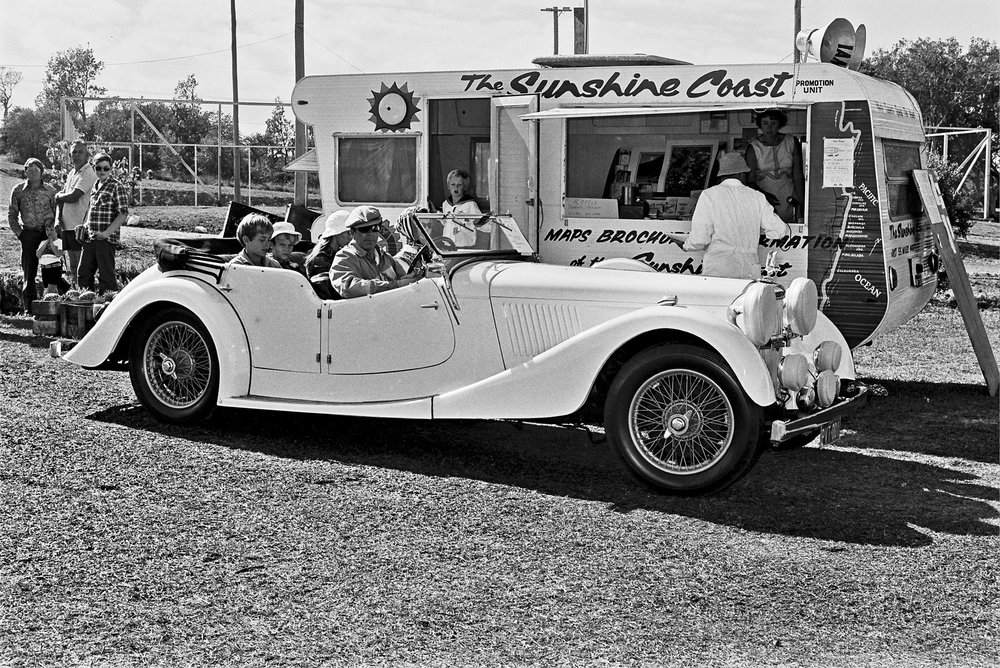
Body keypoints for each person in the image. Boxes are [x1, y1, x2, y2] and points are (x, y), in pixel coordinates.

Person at [679, 152, 790, 280]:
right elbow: (779, 231)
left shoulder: (709, 195)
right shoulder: (757, 197)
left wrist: (686, 245)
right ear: (742, 174)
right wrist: (756, 228)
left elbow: (700, 239)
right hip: (749, 269)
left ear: (722, 176)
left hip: (719, 269)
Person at [329, 205, 423, 299]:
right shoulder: (345, 258)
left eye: (375, 228)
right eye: (364, 229)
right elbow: (348, 288)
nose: (370, 234)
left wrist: (415, 277)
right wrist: (396, 285)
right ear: (352, 233)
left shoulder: (383, 256)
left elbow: (405, 277)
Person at [8, 158, 57, 310]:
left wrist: (55, 233)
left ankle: (51, 305)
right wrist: (20, 234)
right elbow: (12, 215)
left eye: (36, 169)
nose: (33, 172)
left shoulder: (51, 191)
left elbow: (57, 213)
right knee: (29, 273)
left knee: (50, 270)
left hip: (47, 234)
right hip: (28, 234)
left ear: (42, 171)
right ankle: (29, 308)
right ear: (25, 171)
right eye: (29, 169)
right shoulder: (18, 190)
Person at [78, 153, 129, 294]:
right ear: (94, 168)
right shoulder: (95, 185)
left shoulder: (116, 186)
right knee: (83, 274)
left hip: (106, 239)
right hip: (90, 238)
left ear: (111, 169)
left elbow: (123, 213)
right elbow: (91, 209)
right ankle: (85, 307)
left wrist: (106, 233)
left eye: (106, 168)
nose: (102, 171)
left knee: (106, 278)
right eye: (99, 168)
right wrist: (84, 225)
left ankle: (108, 308)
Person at [744, 108, 804, 223]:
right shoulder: (753, 148)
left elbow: (798, 177)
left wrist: (803, 204)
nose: (769, 127)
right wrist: (765, 196)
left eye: (773, 123)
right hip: (764, 201)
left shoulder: (791, 142)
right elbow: (750, 182)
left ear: (779, 124)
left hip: (791, 199)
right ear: (760, 124)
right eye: (765, 123)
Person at [54, 140, 98, 287]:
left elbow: (74, 196)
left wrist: (58, 196)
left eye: (80, 152)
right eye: (74, 152)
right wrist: (58, 219)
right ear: (70, 154)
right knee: (72, 267)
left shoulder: (88, 173)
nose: (77, 155)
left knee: (81, 267)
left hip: (79, 226)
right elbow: (64, 198)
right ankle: (75, 292)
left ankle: (84, 294)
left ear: (87, 155)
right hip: (67, 226)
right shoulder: (72, 173)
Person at [440, 168, 490, 247]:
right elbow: (445, 223)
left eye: (459, 185)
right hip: (448, 245)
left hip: (464, 247)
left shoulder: (470, 204)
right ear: (448, 186)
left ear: (465, 187)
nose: (456, 188)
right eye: (453, 184)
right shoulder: (445, 204)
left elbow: (480, 224)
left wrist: (490, 224)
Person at [305, 210, 351, 278]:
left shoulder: (339, 253)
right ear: (337, 233)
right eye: (348, 233)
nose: (351, 237)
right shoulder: (320, 259)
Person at [36, 224, 70, 295]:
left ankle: (52, 301)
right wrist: (46, 243)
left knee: (52, 288)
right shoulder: (43, 242)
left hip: (54, 267)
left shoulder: (60, 242)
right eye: (47, 230)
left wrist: (51, 243)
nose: (49, 232)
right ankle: (66, 289)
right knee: (47, 287)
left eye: (52, 230)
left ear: (57, 231)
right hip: (44, 268)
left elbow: (58, 254)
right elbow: (38, 254)